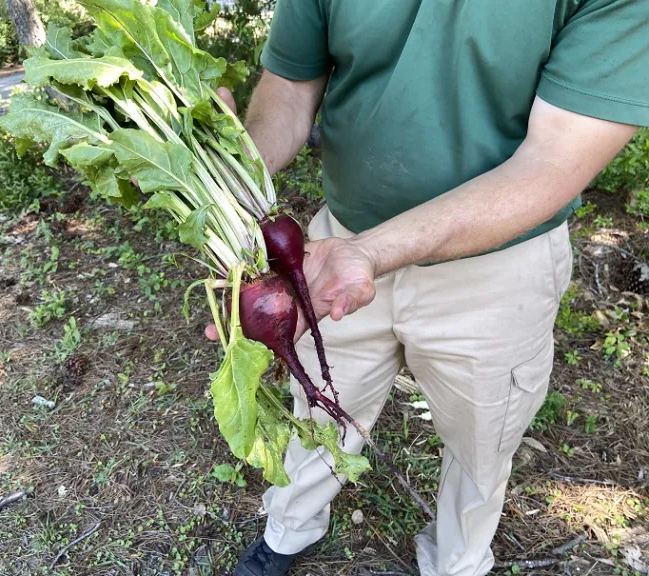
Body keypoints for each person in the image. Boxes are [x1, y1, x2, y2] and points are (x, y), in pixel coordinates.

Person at [209, 1, 649, 575]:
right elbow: (290, 87)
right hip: (333, 247)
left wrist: (371, 254)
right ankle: (289, 528)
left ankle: (457, 561)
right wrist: (224, 170)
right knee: (317, 404)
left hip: (497, 270)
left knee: (482, 444)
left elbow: (554, 162)